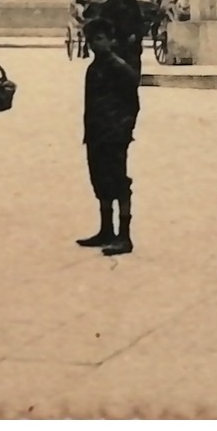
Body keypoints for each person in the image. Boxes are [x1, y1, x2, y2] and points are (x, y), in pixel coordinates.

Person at [76, 18, 141, 257]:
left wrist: (123, 131)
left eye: (100, 39)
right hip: (96, 133)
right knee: (100, 181)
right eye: (91, 40)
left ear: (111, 40)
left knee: (118, 181)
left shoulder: (120, 69)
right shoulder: (94, 68)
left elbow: (132, 105)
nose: (95, 45)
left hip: (114, 134)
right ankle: (106, 229)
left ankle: (124, 235)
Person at [94, 0, 146, 74]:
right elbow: (100, 26)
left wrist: (135, 36)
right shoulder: (106, 6)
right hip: (113, 48)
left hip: (131, 47)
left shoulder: (132, 5)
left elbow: (140, 23)